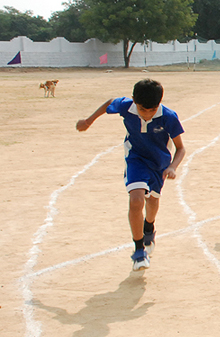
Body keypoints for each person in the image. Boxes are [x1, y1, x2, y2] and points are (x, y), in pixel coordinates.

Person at [76, 79, 185, 271]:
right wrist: (88, 121)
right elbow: (110, 102)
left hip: (159, 165)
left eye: (152, 110)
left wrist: (173, 167)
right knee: (136, 200)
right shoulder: (127, 107)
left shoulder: (168, 116)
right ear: (134, 100)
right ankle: (139, 251)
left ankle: (149, 227)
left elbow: (181, 148)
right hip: (136, 159)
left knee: (153, 201)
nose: (147, 114)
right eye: (143, 109)